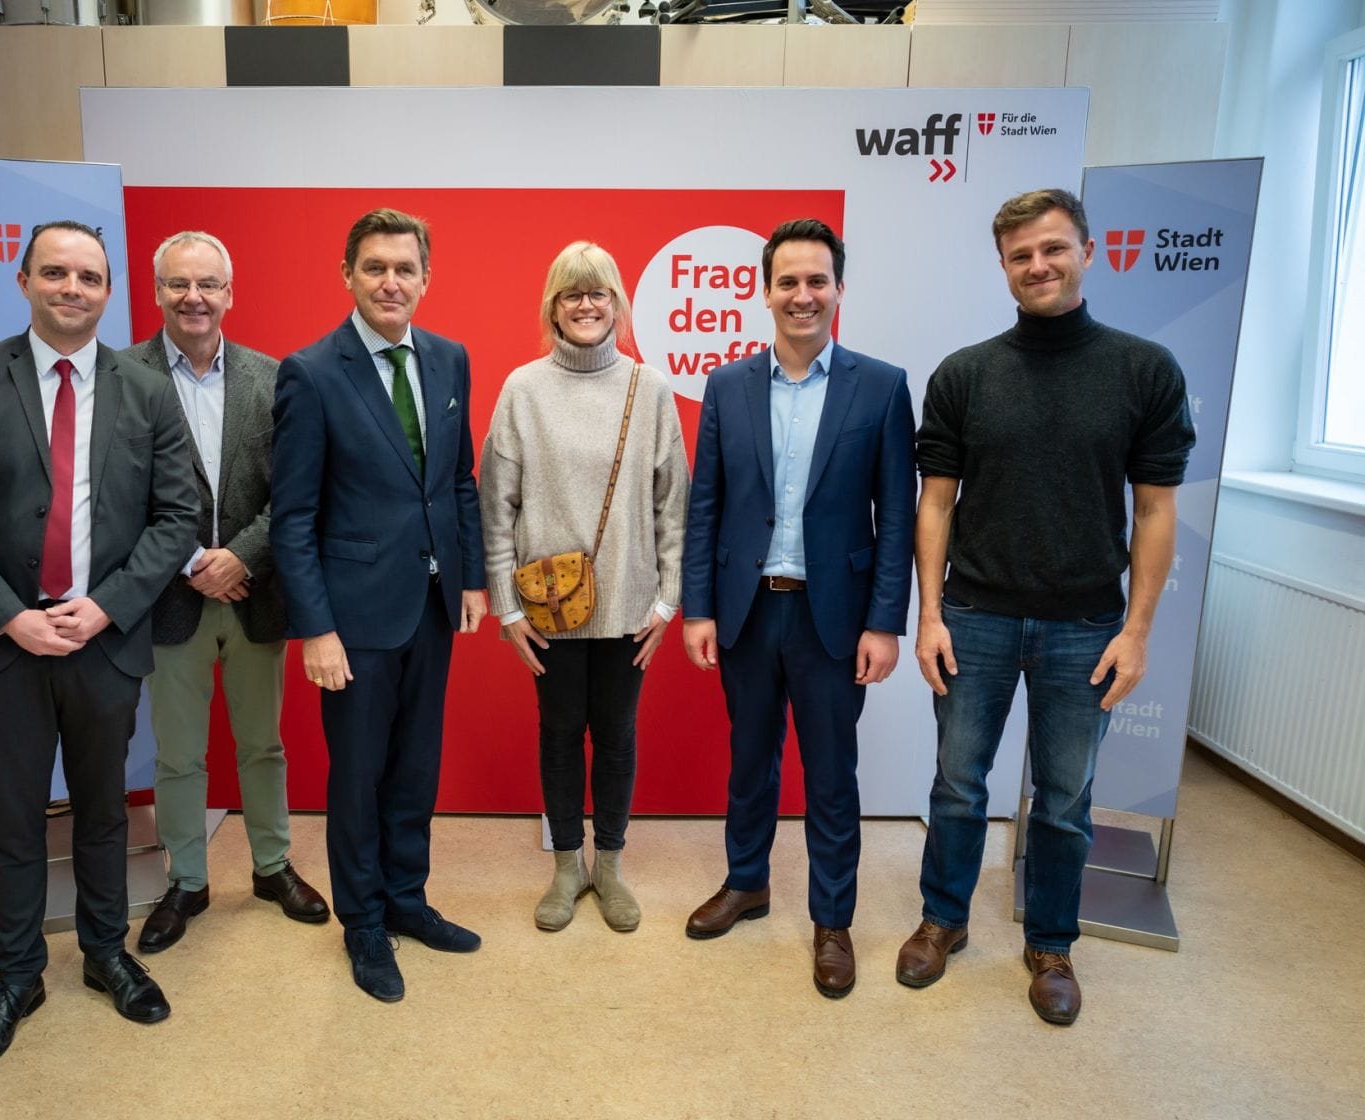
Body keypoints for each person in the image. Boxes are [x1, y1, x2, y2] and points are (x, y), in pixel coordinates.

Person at [0, 220, 199, 1073]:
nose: (73, 288)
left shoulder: (147, 392)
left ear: (110, 291)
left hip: (102, 644)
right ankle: (17, 974)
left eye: (91, 277)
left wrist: (106, 607)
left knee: (106, 811)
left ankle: (107, 953)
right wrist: (10, 615)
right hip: (3, 647)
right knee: (15, 817)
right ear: (26, 280)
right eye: (57, 273)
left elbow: (176, 515)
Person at [899, 188, 1194, 1026]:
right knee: (959, 785)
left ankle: (1053, 944)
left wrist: (1137, 632)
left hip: (1087, 627)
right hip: (976, 618)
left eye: (1054, 249)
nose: (1039, 266)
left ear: (1087, 253)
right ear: (1003, 267)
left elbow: (1157, 511)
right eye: (1022, 255)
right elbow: (935, 502)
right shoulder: (965, 374)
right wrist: (929, 614)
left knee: (1065, 798)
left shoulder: (1143, 370)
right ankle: (942, 920)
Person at [681, 218, 915, 1000]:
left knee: (830, 776)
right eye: (788, 281)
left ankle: (832, 920)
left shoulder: (881, 386)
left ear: (839, 290)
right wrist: (699, 609)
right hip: (748, 611)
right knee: (749, 762)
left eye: (818, 281)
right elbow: (704, 506)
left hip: (833, 618)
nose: (803, 295)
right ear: (765, 290)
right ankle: (746, 882)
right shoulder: (727, 386)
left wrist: (884, 621)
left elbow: (896, 518)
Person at [270, 208, 487, 1002]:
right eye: (374, 267)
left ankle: (406, 899)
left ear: (426, 279)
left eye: (405, 268)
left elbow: (457, 479)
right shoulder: (312, 372)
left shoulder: (449, 359)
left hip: (432, 605)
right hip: (352, 619)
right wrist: (316, 629)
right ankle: (363, 924)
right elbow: (293, 517)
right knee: (358, 777)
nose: (390, 281)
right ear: (348, 276)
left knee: (415, 768)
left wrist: (469, 580)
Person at [123, 231, 330, 955]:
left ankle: (272, 867)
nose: (194, 298)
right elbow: (118, 497)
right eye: (179, 284)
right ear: (157, 293)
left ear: (230, 294)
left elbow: (298, 493)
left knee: (262, 744)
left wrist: (238, 556)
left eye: (208, 284)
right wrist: (187, 561)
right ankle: (187, 880)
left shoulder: (274, 379)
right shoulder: (122, 376)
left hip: (254, 594)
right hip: (170, 600)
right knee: (177, 756)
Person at [479, 242, 689, 934]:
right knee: (561, 732)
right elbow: (495, 505)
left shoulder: (648, 387)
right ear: (553, 307)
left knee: (618, 734)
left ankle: (612, 866)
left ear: (617, 304)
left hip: (630, 605)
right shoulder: (523, 389)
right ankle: (568, 864)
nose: (586, 304)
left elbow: (672, 505)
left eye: (598, 292)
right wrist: (507, 609)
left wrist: (666, 600)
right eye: (572, 293)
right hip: (548, 609)